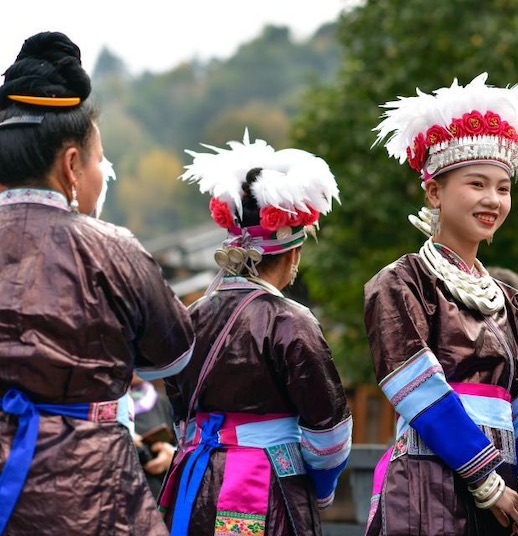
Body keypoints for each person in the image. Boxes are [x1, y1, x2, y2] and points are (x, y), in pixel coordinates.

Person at [0, 32, 195, 535]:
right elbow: (173, 355)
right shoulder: (116, 250)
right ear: (70, 165)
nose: (100, 174)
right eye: (97, 159)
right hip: (91, 496)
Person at [365, 72, 518, 535]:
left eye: (503, 188)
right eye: (476, 184)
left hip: (508, 488)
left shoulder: (507, 299)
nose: (493, 199)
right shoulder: (402, 282)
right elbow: (417, 386)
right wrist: (486, 482)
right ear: (434, 192)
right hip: (430, 483)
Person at [157, 130, 353, 536]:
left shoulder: (190, 315)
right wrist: (319, 489)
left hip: (193, 481)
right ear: (292, 253)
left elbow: (179, 412)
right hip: (266, 484)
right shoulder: (290, 320)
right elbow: (329, 434)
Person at [129, 374, 177, 497]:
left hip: (157, 493)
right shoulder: (94, 409)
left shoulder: (162, 403)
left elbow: (181, 443)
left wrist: (173, 456)